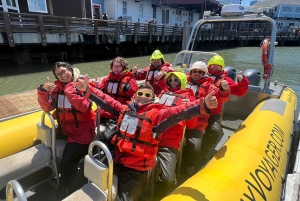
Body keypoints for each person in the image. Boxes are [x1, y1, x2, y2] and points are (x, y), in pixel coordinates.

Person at [76, 78, 218, 201]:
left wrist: (203, 104)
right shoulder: (124, 110)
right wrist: (88, 89)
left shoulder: (158, 116)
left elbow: (179, 112)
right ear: (134, 96)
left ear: (152, 98)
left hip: (136, 169)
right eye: (140, 93)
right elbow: (107, 101)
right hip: (116, 160)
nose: (143, 97)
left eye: (147, 94)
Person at [37, 62, 96, 200]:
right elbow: (47, 108)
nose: (63, 75)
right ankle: (44, 173)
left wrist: (72, 92)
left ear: (70, 70)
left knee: (67, 161)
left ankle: (64, 192)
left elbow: (85, 106)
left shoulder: (82, 85)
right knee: (41, 139)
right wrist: (43, 91)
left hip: (82, 131)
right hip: (65, 128)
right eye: (59, 74)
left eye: (65, 71)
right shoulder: (56, 89)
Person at [183, 61, 230, 175]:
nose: (197, 73)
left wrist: (224, 90)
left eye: (200, 72)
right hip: (179, 118)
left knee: (194, 146)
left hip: (198, 121)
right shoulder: (183, 80)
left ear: (204, 73)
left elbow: (219, 97)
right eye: (194, 71)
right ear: (191, 72)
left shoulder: (210, 86)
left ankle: (189, 163)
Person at [202, 55, 249, 159]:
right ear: (209, 65)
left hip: (214, 111)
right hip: (198, 108)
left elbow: (239, 92)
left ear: (222, 67)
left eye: (218, 66)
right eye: (213, 65)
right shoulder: (200, 74)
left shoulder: (225, 80)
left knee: (215, 130)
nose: (215, 67)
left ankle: (204, 149)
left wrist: (242, 81)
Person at [156, 71, 196, 190]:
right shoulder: (162, 93)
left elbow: (192, 125)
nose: (172, 82)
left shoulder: (189, 97)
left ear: (182, 82)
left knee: (167, 180)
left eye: (176, 80)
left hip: (170, 141)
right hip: (153, 137)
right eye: (170, 80)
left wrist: (189, 109)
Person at [93, 57, 138, 150]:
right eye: (114, 66)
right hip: (104, 110)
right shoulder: (107, 79)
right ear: (112, 67)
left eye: (119, 66)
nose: (116, 68)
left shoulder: (129, 78)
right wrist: (96, 86)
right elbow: (100, 91)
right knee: (89, 125)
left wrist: (128, 88)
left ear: (123, 67)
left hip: (117, 113)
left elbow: (134, 93)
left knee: (107, 136)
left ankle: (109, 153)